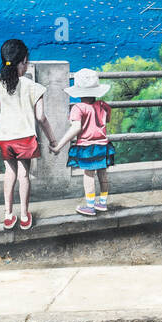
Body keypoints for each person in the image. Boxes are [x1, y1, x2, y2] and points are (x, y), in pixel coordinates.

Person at [0, 38, 56, 231]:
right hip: (24, 137)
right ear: (24, 60)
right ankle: (25, 215)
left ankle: (8, 215)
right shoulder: (32, 87)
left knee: (9, 173)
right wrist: (52, 139)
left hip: (5, 137)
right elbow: (41, 117)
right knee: (23, 175)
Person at [50, 68, 115, 216]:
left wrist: (59, 146)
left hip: (87, 147)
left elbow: (76, 128)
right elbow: (108, 119)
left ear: (78, 91)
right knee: (103, 173)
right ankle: (103, 203)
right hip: (103, 145)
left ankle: (90, 206)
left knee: (89, 175)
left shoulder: (78, 108)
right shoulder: (103, 105)